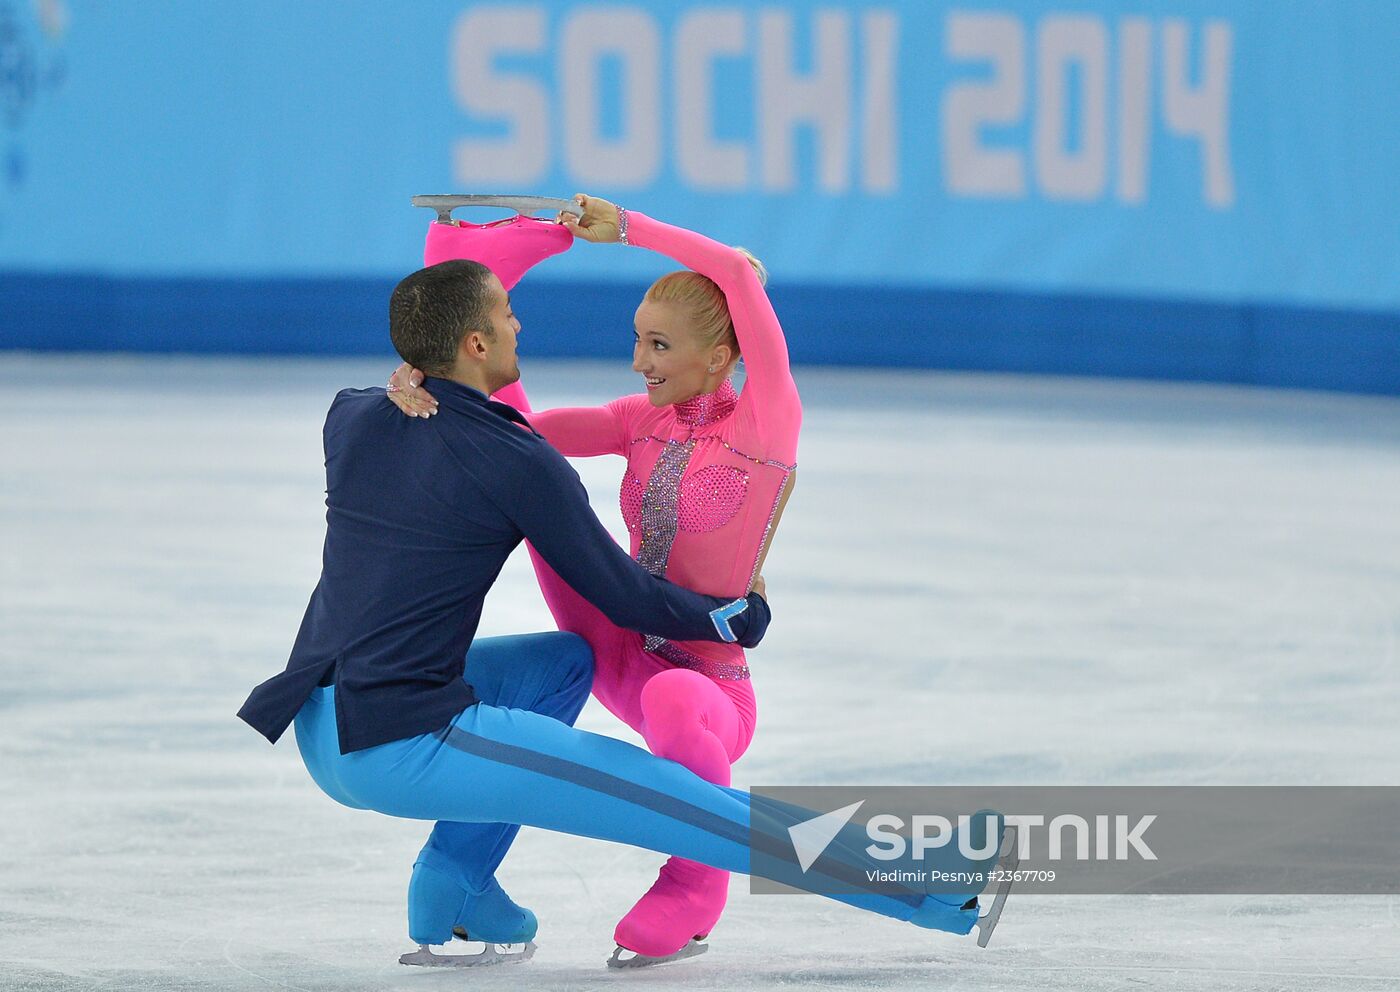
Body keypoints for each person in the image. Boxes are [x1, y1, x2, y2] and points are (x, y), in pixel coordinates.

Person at [239, 254, 1005, 969]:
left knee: (563, 664)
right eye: (507, 313)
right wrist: (726, 620)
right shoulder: (517, 460)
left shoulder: (356, 413)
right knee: (674, 803)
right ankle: (930, 886)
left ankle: (455, 888)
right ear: (475, 342)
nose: (519, 325)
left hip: (321, 716)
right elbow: (621, 593)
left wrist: (417, 365)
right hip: (398, 742)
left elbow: (414, 384)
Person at [388, 193, 800, 961]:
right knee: (532, 486)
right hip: (616, 643)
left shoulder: (766, 420)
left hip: (705, 682)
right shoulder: (639, 418)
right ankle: (470, 272)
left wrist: (633, 229)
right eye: (638, 341)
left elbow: (739, 273)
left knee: (676, 695)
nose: (639, 362)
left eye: (658, 346)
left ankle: (693, 882)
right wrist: (431, 384)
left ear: (717, 356)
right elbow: (516, 440)